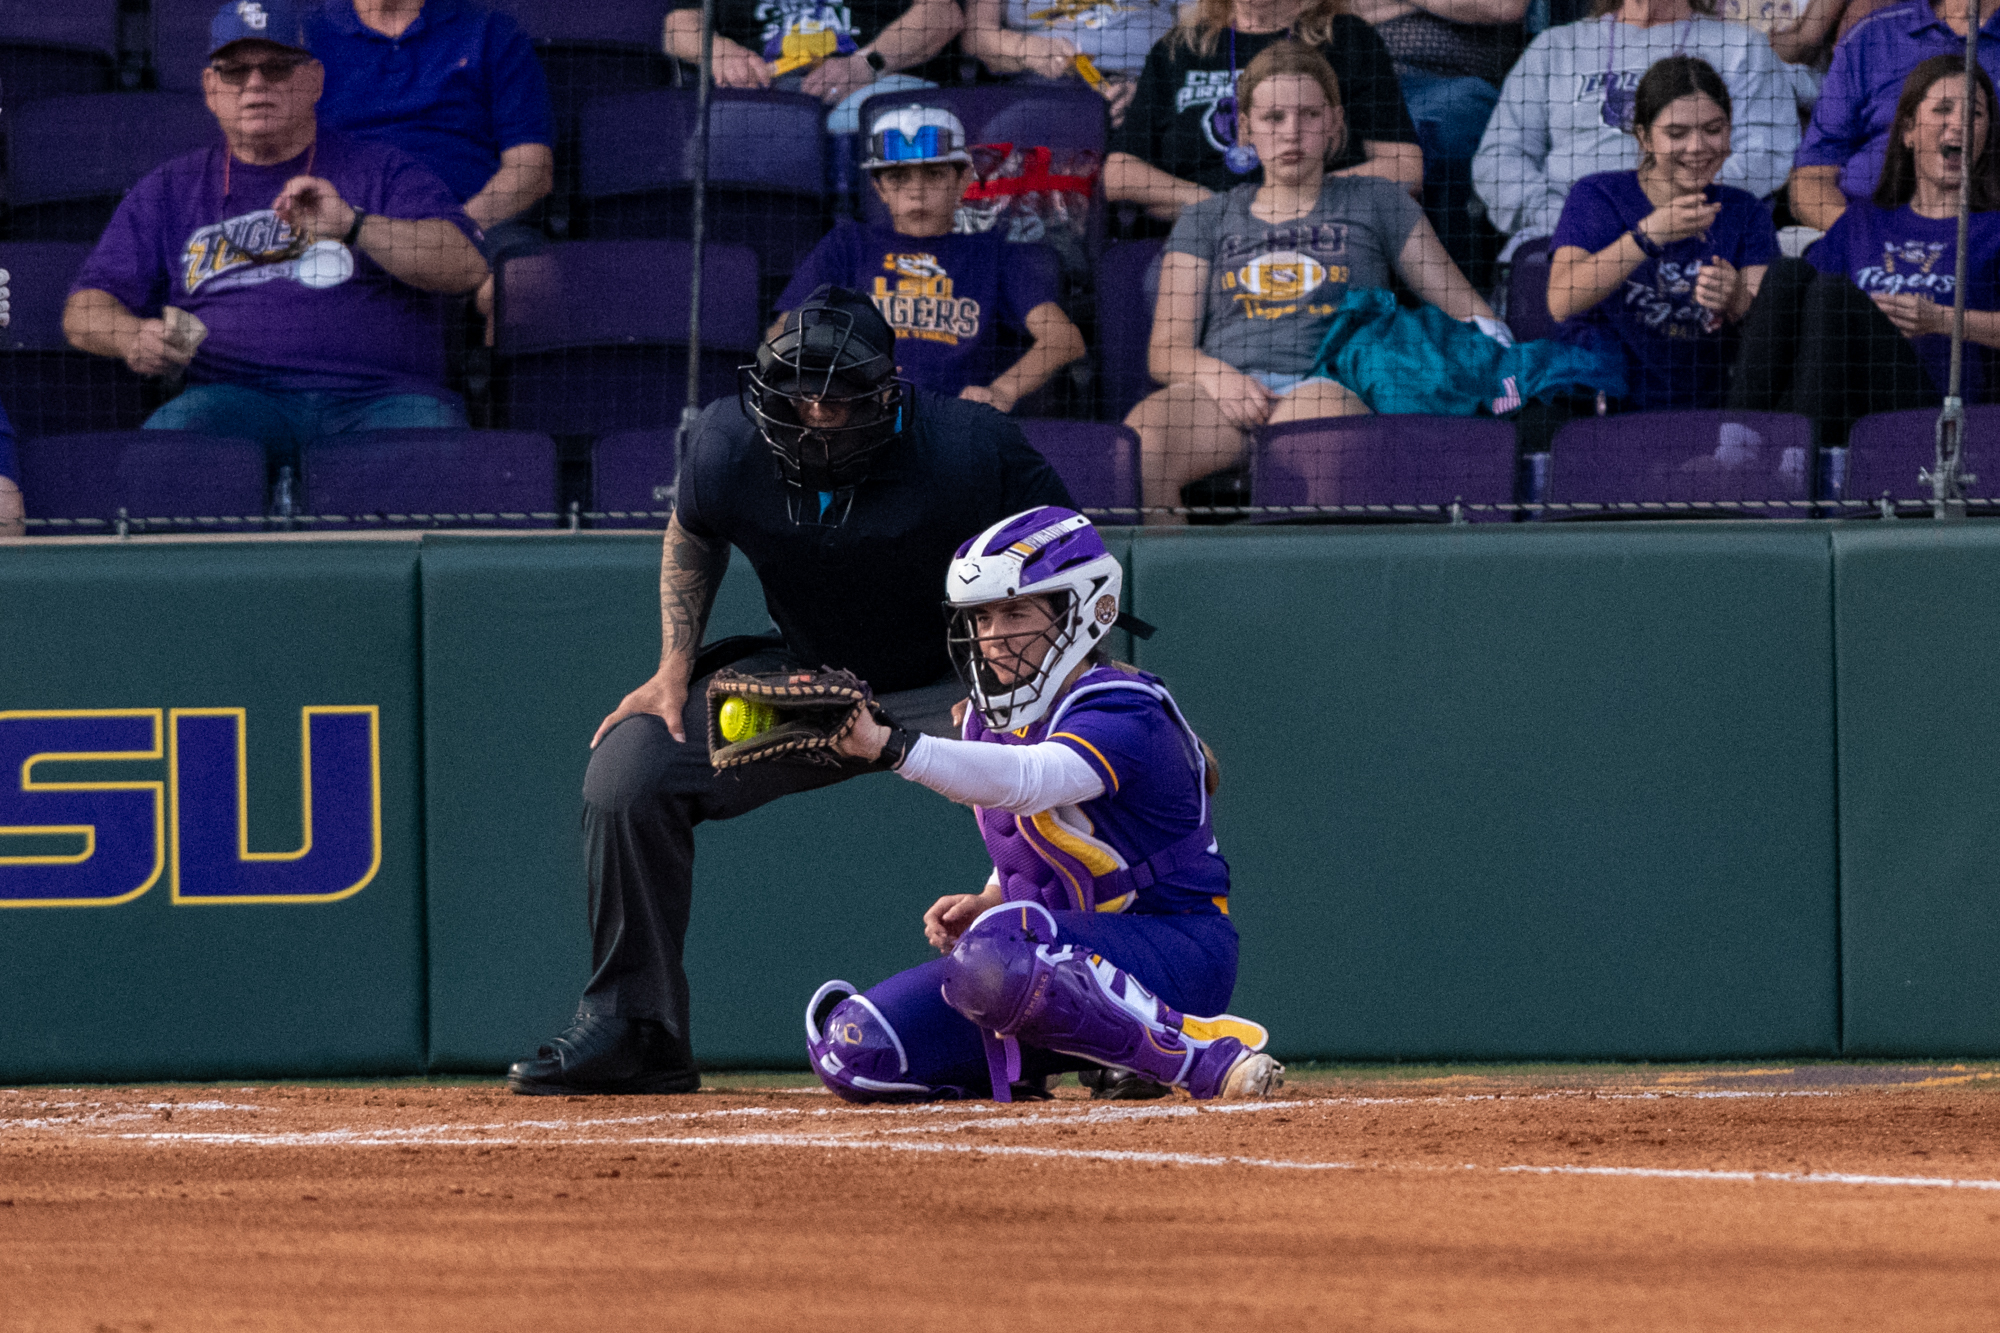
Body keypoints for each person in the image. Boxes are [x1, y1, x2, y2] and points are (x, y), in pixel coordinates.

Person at [506, 287, 1073, 1096]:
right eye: (799, 394)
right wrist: (674, 666)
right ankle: (637, 1029)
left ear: (888, 387)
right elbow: (692, 531)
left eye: (838, 397)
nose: (817, 413)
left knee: (1083, 774)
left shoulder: (969, 445)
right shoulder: (726, 441)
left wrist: (1022, 684)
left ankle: (1114, 1026)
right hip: (814, 685)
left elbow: (1070, 559)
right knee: (631, 771)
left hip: (959, 679)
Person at [808, 505, 1286, 1104]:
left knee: (1000, 941)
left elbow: (1034, 780)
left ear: (1082, 613)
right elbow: (1043, 826)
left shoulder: (1123, 705)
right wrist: (989, 895)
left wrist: (889, 746)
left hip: (1177, 953)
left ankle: (1197, 1056)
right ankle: (1069, 1052)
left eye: (1015, 612)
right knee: (855, 1049)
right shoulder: (987, 717)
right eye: (981, 616)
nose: (992, 634)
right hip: (1050, 957)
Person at [61, 0, 488, 455]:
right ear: (210, 87)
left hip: (382, 398)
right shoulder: (168, 189)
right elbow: (84, 309)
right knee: (174, 442)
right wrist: (132, 336)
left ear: (314, 81)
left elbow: (464, 266)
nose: (255, 85)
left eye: (278, 68)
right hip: (233, 400)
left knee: (436, 445)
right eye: (234, 71)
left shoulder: (382, 169)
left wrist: (354, 224)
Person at [1124, 42, 1499, 521]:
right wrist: (1216, 377)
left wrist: (1506, 366)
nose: (1292, 133)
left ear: (1335, 123)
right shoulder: (1206, 217)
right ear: (1245, 128)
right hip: (1230, 390)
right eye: (1274, 118)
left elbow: (1462, 305)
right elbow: (1166, 350)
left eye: (1309, 115)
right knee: (1141, 445)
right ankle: (1173, 588)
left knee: (1305, 443)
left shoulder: (1376, 200)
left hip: (1330, 386)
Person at [1733, 56, 2000, 439]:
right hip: (1846, 399)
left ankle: (1803, 457)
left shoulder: (1993, 228)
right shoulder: (1861, 221)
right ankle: (1737, 444)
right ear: (1908, 130)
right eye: (1942, 109)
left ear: (1987, 134)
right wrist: (1733, 295)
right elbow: (1793, 315)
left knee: (1833, 296)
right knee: (1789, 274)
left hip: (1933, 412)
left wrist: (1940, 320)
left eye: (1974, 114)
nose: (1958, 123)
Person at [777, 106, 1087, 412]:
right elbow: (783, 332)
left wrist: (1002, 390)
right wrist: (835, 378)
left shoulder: (994, 252)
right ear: (879, 188)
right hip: (862, 417)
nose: (917, 192)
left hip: (954, 422)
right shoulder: (847, 244)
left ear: (963, 179)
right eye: (899, 177)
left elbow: (1064, 339)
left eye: (934, 174)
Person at [1545, 55, 1778, 409]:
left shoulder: (1746, 211)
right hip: (1610, 407)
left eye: (1713, 129)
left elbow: (1770, 339)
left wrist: (1735, 299)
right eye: (1676, 133)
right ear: (1644, 137)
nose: (1698, 146)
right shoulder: (1599, 194)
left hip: (1710, 410)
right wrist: (1647, 236)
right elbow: (1561, 301)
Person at [1472, 0, 1796, 253]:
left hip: (1692, 241)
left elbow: (1765, 156)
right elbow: (1499, 160)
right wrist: (1570, 219)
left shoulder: (1742, 47)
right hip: (1561, 239)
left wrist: (1664, 214)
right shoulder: (1554, 46)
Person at [1105, 0, 1424, 224]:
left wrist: (1288, 200)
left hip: (1320, 225)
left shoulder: (1346, 37)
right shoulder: (1178, 49)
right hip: (1205, 234)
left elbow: (1405, 168)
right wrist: (1209, 204)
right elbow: (1119, 173)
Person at [304, 0, 554, 262]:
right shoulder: (307, 35)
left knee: (524, 281)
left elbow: (531, 169)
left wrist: (452, 234)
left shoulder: (491, 31)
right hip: (340, 228)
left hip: (474, 228)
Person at [1346, 0, 1527, 279]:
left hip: (1449, 82)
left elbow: (1503, 7)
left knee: (1424, 141)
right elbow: (1322, 9)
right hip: (1355, 83)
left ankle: (1446, 303)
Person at [1789, 0, 2000, 230]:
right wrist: (1864, 239)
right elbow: (1810, 179)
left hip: (1983, 244)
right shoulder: (1873, 34)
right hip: (1858, 237)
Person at [662, 0, 961, 133]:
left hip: (877, 82)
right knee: (726, 130)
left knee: (883, 125)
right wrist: (720, 52)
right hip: (762, 87)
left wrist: (866, 65)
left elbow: (943, 12)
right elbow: (679, 26)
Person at [959, 0, 1182, 127]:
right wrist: (1025, 48)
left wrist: (1154, 88)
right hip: (1047, 86)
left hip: (1151, 80)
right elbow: (977, 36)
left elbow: (1203, 32)